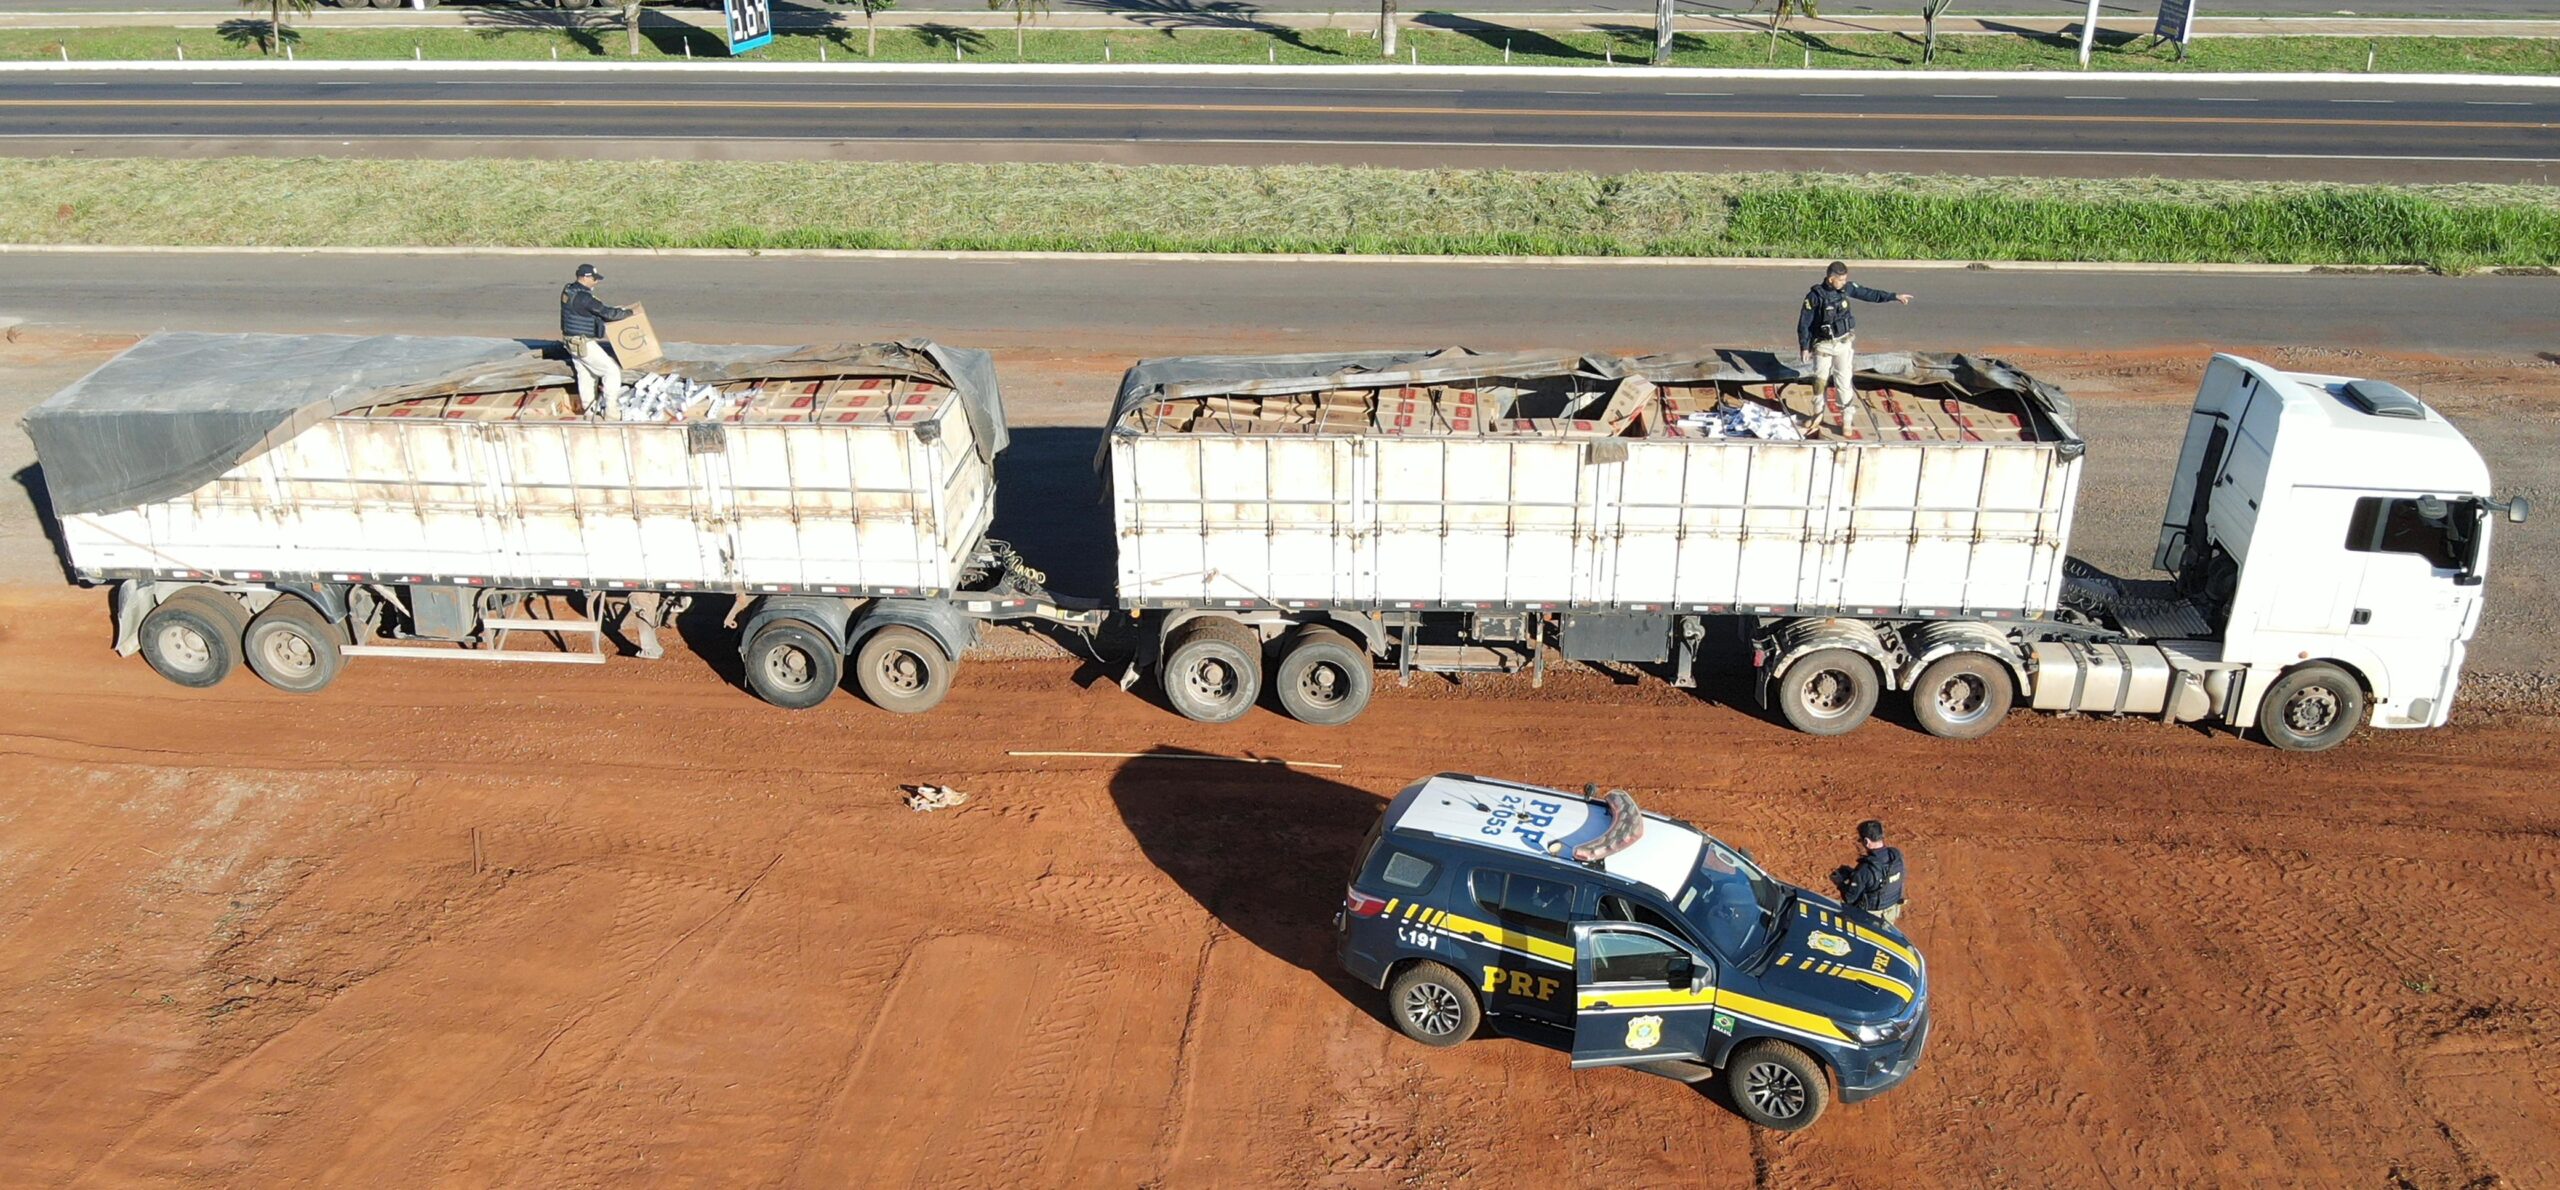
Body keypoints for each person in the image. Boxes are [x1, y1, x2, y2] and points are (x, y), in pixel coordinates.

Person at [1795, 261, 1912, 406]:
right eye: (1841, 280)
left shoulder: (1846, 288)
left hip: (1843, 343)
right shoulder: (1814, 296)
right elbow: (1804, 323)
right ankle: (1818, 413)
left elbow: (1869, 294)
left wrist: (1894, 296)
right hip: (1823, 345)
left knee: (1844, 380)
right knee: (1820, 380)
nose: (1844, 282)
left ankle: (1846, 414)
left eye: (1845, 279)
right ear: (1831, 279)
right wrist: (1804, 347)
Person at [559, 263, 633, 416]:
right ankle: (611, 410)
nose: (596, 281)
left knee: (586, 375)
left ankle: (589, 411)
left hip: (571, 341)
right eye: (594, 278)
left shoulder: (569, 290)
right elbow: (607, 314)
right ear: (585, 278)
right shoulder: (584, 297)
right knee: (611, 371)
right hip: (583, 343)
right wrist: (628, 313)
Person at [1830, 818, 1907, 927]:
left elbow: (1849, 898)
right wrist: (1854, 875)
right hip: (1892, 911)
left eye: (1860, 840)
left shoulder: (1865, 869)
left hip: (1872, 917)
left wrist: (1840, 883)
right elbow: (1882, 879)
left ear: (1866, 841)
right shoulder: (1896, 856)